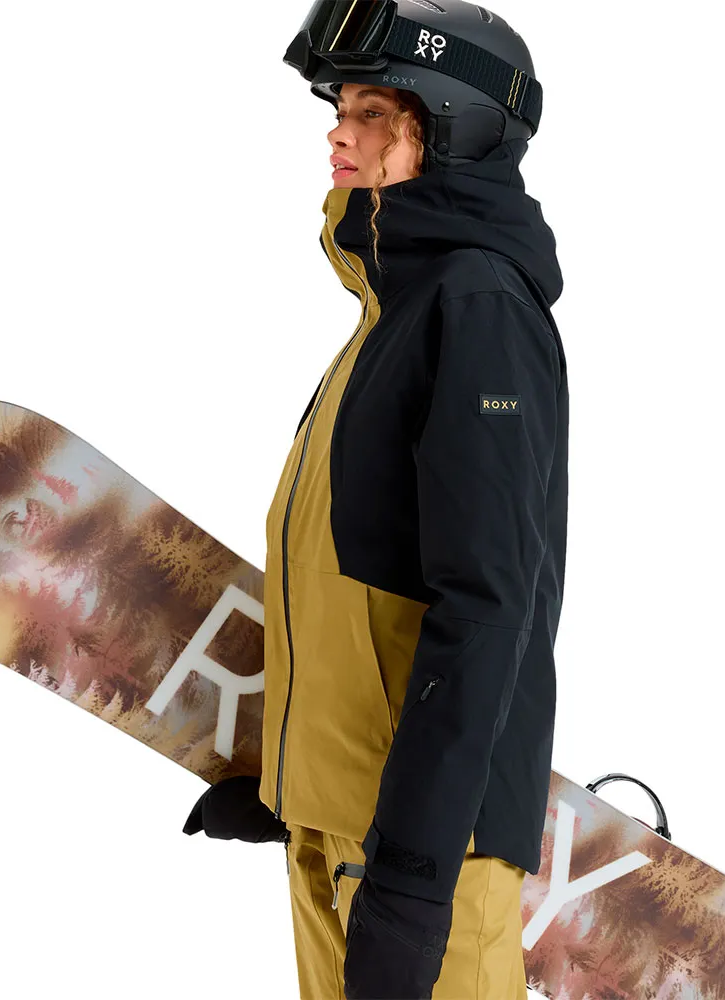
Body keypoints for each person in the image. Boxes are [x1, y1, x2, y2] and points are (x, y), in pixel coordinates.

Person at [185, 2, 568, 997]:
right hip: (340, 829)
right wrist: (289, 778)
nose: (337, 135)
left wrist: (414, 873)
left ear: (451, 130)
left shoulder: (478, 309)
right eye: (337, 109)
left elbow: (487, 607)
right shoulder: (389, 316)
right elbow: (352, 582)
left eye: (369, 113)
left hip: (419, 860)